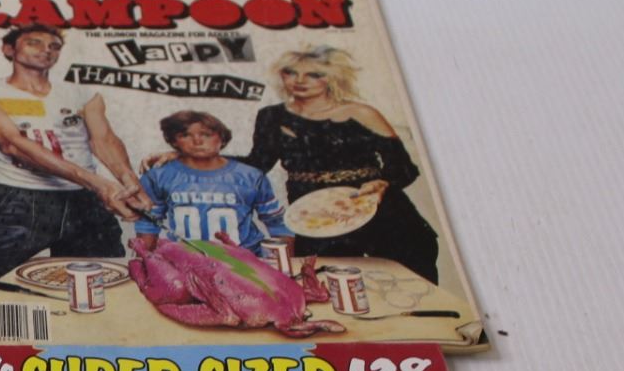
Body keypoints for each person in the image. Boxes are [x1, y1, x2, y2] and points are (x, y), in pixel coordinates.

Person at [0, 24, 151, 297]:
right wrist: (98, 183)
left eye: (54, 46)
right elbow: (12, 143)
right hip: (16, 199)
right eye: (34, 42)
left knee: (100, 287)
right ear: (9, 49)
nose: (46, 50)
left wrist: (130, 183)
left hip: (84, 202)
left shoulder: (83, 94)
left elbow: (103, 139)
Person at [244, 46, 442, 283]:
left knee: (411, 281)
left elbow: (403, 167)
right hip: (316, 216)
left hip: (377, 208)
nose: (300, 80)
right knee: (323, 284)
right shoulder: (271, 116)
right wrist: (206, 157)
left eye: (314, 74)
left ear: (332, 77)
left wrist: (381, 184)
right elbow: (258, 163)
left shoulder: (361, 113)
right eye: (291, 72)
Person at [133, 109, 289, 254]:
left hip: (245, 259)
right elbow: (148, 222)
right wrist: (145, 258)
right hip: (187, 259)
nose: (197, 141)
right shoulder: (158, 176)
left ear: (222, 138)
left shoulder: (250, 176)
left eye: (206, 135)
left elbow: (278, 223)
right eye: (185, 135)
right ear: (173, 141)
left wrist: (287, 264)